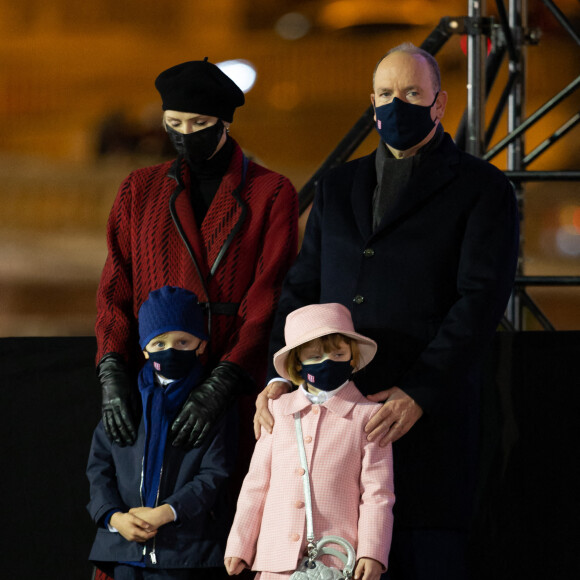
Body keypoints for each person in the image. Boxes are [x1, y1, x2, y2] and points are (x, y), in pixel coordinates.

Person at [255, 43, 519, 580]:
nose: (396, 105)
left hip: (426, 426)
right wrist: (280, 373)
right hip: (330, 436)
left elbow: (480, 301)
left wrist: (420, 390)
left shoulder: (482, 188)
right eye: (385, 95)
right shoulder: (336, 186)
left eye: (411, 94)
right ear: (371, 104)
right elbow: (301, 289)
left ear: (440, 104)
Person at [95, 58, 298, 461]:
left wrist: (223, 380)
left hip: (232, 375)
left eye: (200, 123)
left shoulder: (270, 193)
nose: (185, 135)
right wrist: (112, 371)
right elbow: (115, 288)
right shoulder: (139, 189)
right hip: (152, 380)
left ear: (225, 123)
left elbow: (269, 295)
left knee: (224, 496)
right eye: (175, 123)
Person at [225, 303, 395, 580]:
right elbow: (256, 484)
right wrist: (239, 544)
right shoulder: (277, 410)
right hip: (275, 559)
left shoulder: (370, 416)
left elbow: (378, 494)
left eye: (338, 353)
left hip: (337, 561)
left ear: (352, 356)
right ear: (297, 363)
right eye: (315, 356)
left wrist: (372, 551)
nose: (328, 361)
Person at [87, 286, 238, 579]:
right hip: (124, 551)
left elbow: (215, 473)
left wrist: (167, 512)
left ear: (201, 344)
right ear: (144, 349)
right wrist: (115, 517)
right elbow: (99, 466)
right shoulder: (124, 399)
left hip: (187, 554)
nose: (171, 350)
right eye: (159, 343)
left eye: (183, 341)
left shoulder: (215, 404)